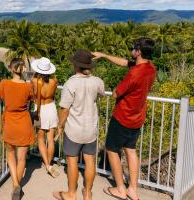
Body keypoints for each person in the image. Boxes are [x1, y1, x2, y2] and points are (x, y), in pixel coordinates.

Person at [92, 37, 157, 200]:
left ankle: (120, 188)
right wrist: (105, 56)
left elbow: (115, 94)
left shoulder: (134, 74)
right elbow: (124, 62)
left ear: (139, 51)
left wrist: (114, 89)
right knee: (130, 150)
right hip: (137, 118)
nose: (131, 49)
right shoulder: (150, 69)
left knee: (112, 150)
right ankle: (132, 190)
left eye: (133, 47)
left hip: (123, 117)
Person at [53, 49, 105, 200]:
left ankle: (71, 194)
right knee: (90, 161)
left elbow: (64, 110)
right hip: (91, 129)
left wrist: (60, 126)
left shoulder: (70, 83)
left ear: (75, 65)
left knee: (72, 161)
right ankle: (87, 193)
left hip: (74, 129)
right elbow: (102, 93)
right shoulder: (97, 81)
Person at [0, 58, 35, 200]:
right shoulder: (28, 86)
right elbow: (31, 98)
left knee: (10, 154)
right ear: (23, 69)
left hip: (10, 123)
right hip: (24, 122)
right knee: (22, 158)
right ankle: (16, 187)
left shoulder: (4, 83)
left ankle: (16, 184)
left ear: (11, 69)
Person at [30, 57, 60, 178]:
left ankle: (47, 164)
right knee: (50, 138)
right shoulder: (54, 81)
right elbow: (53, 95)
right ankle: (49, 163)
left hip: (40, 109)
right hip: (51, 107)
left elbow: (33, 96)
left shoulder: (34, 80)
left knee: (41, 138)